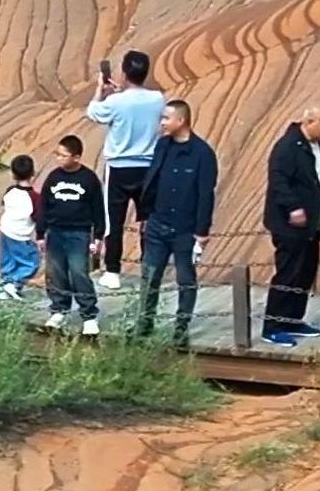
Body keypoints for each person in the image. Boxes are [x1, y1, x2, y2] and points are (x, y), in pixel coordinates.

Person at [129, 100, 219, 343]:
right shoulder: (162, 146)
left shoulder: (203, 154)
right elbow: (152, 180)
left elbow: (205, 194)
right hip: (157, 224)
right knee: (150, 275)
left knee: (185, 279)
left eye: (166, 118)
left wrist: (202, 231)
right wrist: (145, 215)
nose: (162, 123)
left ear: (181, 120)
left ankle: (181, 327)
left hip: (185, 230)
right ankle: (144, 323)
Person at [85, 51, 167, 290]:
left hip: (119, 167)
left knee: (114, 221)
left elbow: (92, 112)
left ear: (123, 71)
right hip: (148, 167)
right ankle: (149, 269)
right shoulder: (157, 98)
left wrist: (101, 89)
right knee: (148, 220)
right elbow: (139, 105)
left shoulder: (114, 102)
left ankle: (112, 271)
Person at [261, 109, 320, 346]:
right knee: (288, 272)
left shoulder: (318, 147)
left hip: (311, 221)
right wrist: (293, 207)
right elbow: (278, 180)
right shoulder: (287, 147)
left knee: (305, 272)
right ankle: (272, 325)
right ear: (309, 121)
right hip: (289, 223)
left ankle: (293, 318)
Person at [34, 135, 104, 336]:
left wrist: (98, 236)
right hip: (55, 232)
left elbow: (98, 209)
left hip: (79, 233)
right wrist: (40, 233)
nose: (58, 158)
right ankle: (59, 309)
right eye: (57, 154)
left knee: (79, 272)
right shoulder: (53, 177)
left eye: (63, 155)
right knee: (56, 272)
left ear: (77, 157)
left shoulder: (89, 179)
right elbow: (43, 207)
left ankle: (89, 315)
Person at [0, 157, 40, 300]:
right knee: (31, 263)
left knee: (8, 261)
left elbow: (4, 203)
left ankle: (6, 285)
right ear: (33, 172)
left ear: (13, 174)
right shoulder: (34, 197)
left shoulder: (10, 191)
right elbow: (38, 217)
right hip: (21, 235)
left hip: (5, 231)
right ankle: (15, 284)